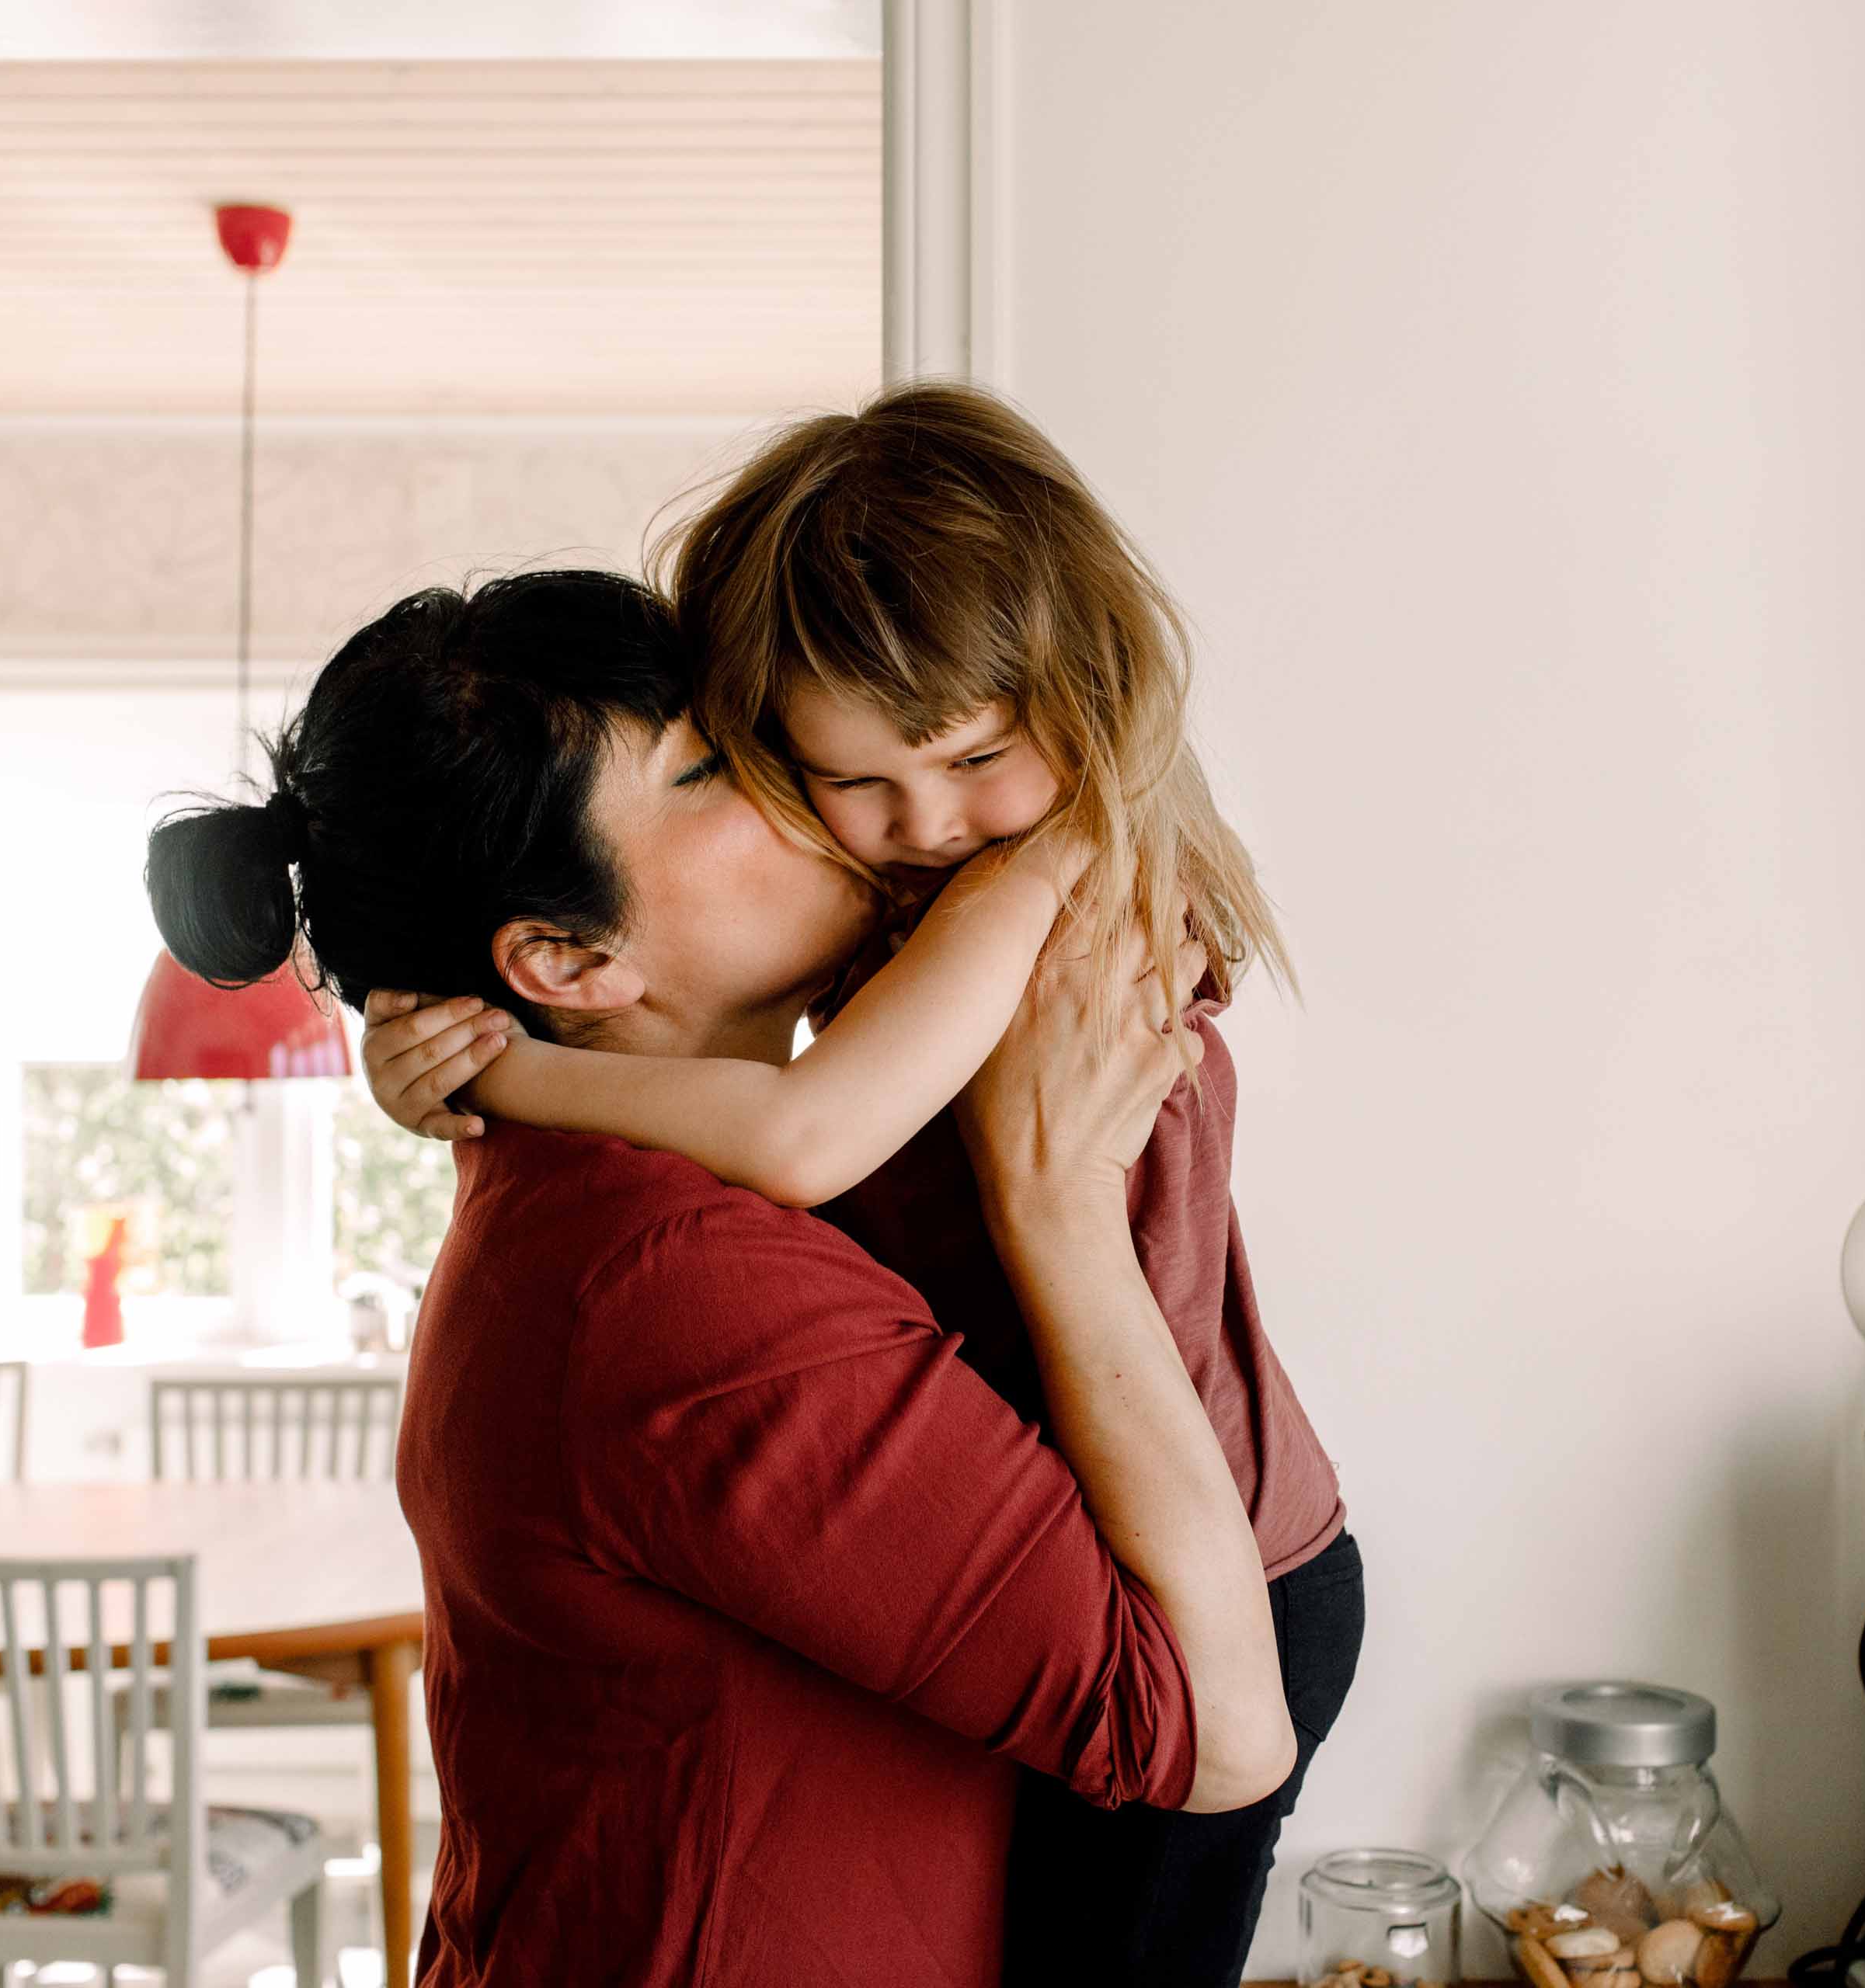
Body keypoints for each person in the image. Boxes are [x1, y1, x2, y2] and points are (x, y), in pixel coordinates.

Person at [144, 567, 1293, 1988]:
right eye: (703, 767)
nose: (786, 769)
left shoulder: (594, 1195)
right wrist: (1053, 1203)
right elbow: (1212, 1733)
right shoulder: (673, 1286)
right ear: (566, 958)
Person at [357, 384, 1360, 1988]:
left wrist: (511, 1076)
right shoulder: (670, 1231)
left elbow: (809, 1130)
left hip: (1226, 1560)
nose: (907, 819)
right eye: (755, 771)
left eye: (969, 754)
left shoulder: (1049, 879)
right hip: (1138, 1563)